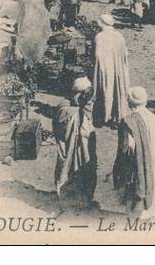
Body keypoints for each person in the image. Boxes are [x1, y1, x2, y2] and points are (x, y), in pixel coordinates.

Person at [113, 87, 155, 218]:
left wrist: (120, 169)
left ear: (130, 102)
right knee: (151, 184)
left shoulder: (128, 122)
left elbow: (126, 148)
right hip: (153, 163)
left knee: (135, 196)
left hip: (137, 166)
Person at [53, 76, 97, 207]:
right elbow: (62, 129)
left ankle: (83, 199)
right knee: (68, 171)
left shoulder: (81, 107)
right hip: (69, 148)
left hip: (81, 149)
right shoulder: (66, 109)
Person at [92, 14, 130, 128]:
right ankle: (117, 116)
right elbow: (125, 54)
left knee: (105, 90)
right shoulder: (119, 36)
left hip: (105, 68)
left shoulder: (99, 36)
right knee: (117, 90)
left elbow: (97, 55)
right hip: (118, 68)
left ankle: (105, 116)